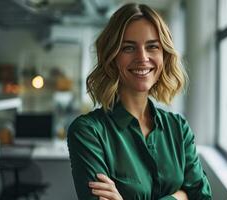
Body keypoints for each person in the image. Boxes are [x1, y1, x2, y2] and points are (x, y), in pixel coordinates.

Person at [67, 3, 212, 200]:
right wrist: (180, 196)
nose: (142, 57)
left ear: (164, 55)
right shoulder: (88, 132)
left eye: (152, 46)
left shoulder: (179, 129)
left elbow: (203, 197)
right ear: (113, 57)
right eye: (128, 48)